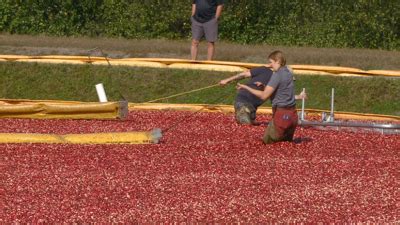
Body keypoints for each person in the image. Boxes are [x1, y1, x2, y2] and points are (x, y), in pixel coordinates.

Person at [237, 51, 306, 144]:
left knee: (268, 143)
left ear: (278, 61)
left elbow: (264, 95)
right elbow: (281, 90)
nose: (270, 65)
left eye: (271, 62)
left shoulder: (277, 75)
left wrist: (245, 87)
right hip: (293, 116)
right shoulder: (288, 73)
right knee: (286, 145)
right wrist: (265, 86)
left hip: (281, 116)